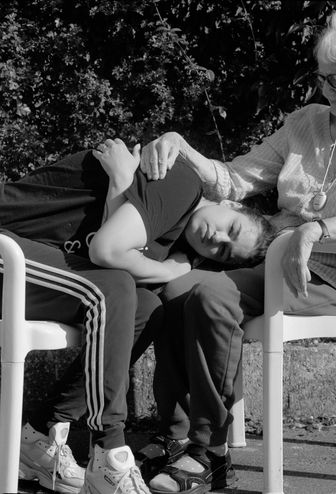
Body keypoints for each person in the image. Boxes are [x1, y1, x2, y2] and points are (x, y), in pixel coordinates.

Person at [138, 9, 336, 494]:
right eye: (323, 77)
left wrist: (316, 230)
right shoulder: (305, 123)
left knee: (211, 295)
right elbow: (235, 178)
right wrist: (179, 146)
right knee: (174, 290)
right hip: (273, 263)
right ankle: (175, 434)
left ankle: (209, 452)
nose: (327, 89)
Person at [0, 139, 274, 494]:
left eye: (223, 250)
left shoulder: (175, 243)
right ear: (230, 203)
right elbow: (106, 251)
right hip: (7, 247)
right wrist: (167, 270)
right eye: (232, 228)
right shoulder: (180, 181)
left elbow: (108, 259)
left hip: (27, 269)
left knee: (145, 308)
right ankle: (110, 456)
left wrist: (120, 187)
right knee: (114, 289)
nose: (217, 238)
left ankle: (42, 434)